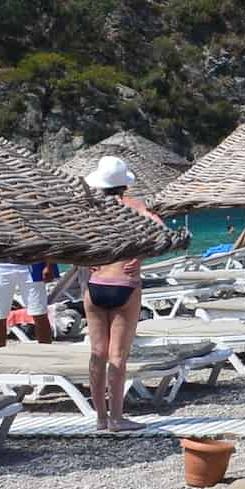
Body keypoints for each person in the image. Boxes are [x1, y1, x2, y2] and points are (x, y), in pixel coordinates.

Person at [80, 157, 152, 433]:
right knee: (118, 356)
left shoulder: (92, 212)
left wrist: (88, 260)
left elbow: (75, 241)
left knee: (97, 353)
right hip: (125, 283)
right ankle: (117, 419)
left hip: (97, 284)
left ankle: (100, 418)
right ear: (124, 184)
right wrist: (141, 256)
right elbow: (163, 233)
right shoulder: (134, 207)